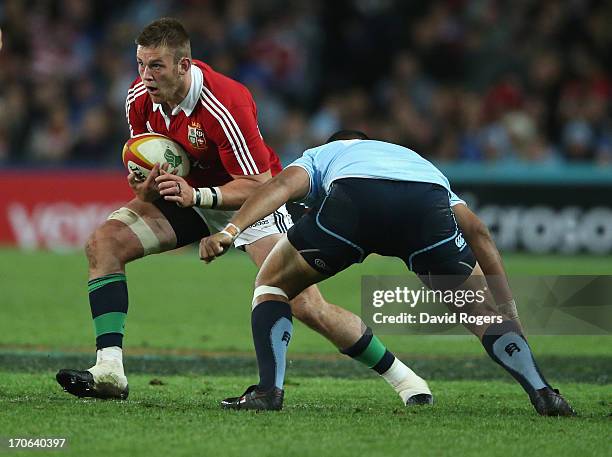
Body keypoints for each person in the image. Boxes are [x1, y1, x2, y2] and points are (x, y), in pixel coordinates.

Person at [56, 18, 432, 406]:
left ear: (184, 65)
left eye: (156, 66)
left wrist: (200, 196)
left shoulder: (225, 102)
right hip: (189, 197)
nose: (145, 76)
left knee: (306, 304)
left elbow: (260, 183)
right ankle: (110, 370)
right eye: (140, 64)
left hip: (249, 202)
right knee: (105, 243)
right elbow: (139, 175)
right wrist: (146, 188)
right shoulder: (137, 99)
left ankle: (406, 380)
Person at [200, 130, 576, 416]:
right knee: (479, 313)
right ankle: (543, 391)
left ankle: (269, 392)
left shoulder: (324, 154)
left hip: (354, 203)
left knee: (271, 285)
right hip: (423, 205)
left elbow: (281, 186)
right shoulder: (417, 162)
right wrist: (509, 310)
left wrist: (229, 232)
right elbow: (479, 233)